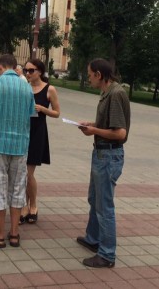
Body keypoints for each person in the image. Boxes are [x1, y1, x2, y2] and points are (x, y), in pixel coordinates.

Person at [77, 58, 130, 268]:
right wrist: (93, 124)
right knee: (94, 198)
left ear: (99, 74)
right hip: (101, 154)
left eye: (90, 74)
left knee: (104, 206)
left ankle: (107, 254)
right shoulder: (108, 92)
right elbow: (111, 124)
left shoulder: (116, 94)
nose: (89, 78)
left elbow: (120, 133)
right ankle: (93, 239)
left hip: (108, 156)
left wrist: (94, 131)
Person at [0, 54, 35, 248]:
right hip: (21, 146)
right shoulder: (27, 87)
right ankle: (14, 234)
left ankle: (0, 235)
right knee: (18, 189)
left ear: (1, 67)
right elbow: (30, 114)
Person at [20, 59, 60, 225]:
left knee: (28, 173)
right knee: (22, 173)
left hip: (37, 132)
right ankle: (24, 206)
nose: (28, 74)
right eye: (26, 70)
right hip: (22, 131)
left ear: (40, 72)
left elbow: (57, 113)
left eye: (31, 70)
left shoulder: (49, 89)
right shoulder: (24, 87)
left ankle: (32, 205)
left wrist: (43, 109)